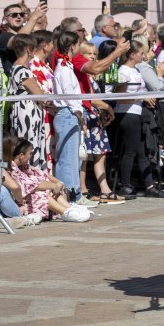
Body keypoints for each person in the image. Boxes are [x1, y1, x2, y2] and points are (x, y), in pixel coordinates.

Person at [110, 40, 164, 199]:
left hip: (137, 114)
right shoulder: (123, 71)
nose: (144, 56)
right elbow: (121, 98)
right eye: (141, 53)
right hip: (126, 114)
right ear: (132, 55)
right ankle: (125, 185)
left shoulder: (135, 70)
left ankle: (149, 185)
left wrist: (144, 97)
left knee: (142, 152)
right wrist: (142, 97)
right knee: (130, 151)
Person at [52, 30, 98, 208]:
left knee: (74, 158)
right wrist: (78, 113)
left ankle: (75, 193)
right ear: (72, 46)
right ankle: (70, 195)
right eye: (78, 45)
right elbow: (69, 95)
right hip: (67, 114)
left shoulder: (67, 66)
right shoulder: (63, 68)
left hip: (71, 113)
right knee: (68, 159)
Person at [76, 42, 122, 204]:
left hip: (96, 118)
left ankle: (105, 190)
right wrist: (108, 108)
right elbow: (90, 98)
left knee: (100, 154)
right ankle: (82, 189)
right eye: (88, 53)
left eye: (94, 53)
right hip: (85, 117)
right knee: (84, 156)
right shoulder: (81, 72)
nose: (93, 56)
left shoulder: (91, 76)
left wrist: (103, 111)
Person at [7, 137, 91, 223]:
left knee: (51, 190)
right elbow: (34, 185)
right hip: (20, 203)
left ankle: (70, 208)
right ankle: (65, 212)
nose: (31, 156)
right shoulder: (11, 168)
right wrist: (55, 186)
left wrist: (58, 183)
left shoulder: (24, 166)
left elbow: (44, 175)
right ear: (21, 156)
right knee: (41, 193)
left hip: (28, 199)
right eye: (30, 154)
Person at [7, 34, 48, 169]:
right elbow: (40, 96)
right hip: (27, 115)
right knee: (28, 148)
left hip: (20, 112)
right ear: (29, 50)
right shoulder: (23, 71)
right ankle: (31, 179)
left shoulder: (14, 67)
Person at [0, 0, 48, 74]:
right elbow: (18, 40)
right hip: (16, 79)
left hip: (31, 75)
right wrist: (34, 18)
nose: (19, 17)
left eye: (22, 14)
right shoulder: (3, 36)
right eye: (14, 15)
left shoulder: (29, 34)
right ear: (6, 19)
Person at [29, 30, 56, 169]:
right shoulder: (33, 65)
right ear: (45, 46)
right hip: (43, 115)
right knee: (46, 153)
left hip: (51, 114)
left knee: (52, 152)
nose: (54, 46)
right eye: (52, 43)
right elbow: (43, 93)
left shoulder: (44, 65)